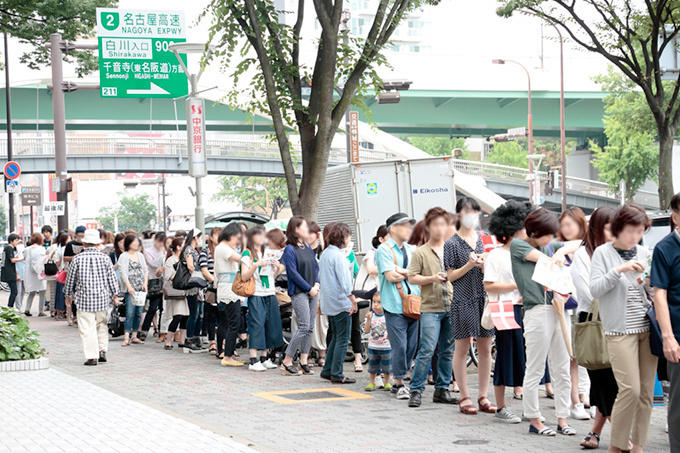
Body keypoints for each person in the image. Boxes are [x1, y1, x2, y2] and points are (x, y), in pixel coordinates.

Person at [590, 204, 656, 453]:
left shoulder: (643, 251)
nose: (635, 236)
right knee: (630, 389)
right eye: (631, 230)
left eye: (640, 231)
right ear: (618, 228)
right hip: (619, 331)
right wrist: (619, 270)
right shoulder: (603, 253)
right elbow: (594, 289)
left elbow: (650, 291)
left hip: (646, 328)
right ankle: (616, 446)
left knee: (646, 392)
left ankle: (638, 445)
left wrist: (650, 282)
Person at [510, 207, 581, 436]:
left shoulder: (548, 245)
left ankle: (562, 418)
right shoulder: (518, 245)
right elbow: (544, 260)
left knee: (561, 366)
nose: (551, 239)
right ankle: (535, 419)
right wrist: (557, 254)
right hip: (537, 310)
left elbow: (581, 242)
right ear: (535, 231)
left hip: (558, 309)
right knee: (536, 367)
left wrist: (561, 251)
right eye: (548, 234)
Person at [570, 206, 617, 449]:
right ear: (597, 228)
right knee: (603, 379)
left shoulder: (617, 253)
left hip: (617, 321)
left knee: (612, 382)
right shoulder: (582, 255)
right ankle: (619, 434)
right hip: (593, 322)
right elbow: (588, 293)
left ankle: (596, 432)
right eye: (609, 226)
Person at [444, 197, 494, 415]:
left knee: (485, 348)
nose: (472, 215)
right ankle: (464, 396)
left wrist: (483, 265)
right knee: (462, 348)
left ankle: (483, 395)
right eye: (467, 211)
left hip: (484, 299)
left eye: (475, 211)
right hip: (463, 300)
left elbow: (491, 273)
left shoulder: (483, 239)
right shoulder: (452, 244)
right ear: (458, 215)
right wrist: (470, 264)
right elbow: (451, 276)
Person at [485, 200, 533, 424]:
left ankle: (527, 406)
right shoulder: (496, 255)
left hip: (527, 309)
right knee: (506, 356)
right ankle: (501, 406)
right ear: (513, 229)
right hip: (505, 309)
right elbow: (489, 285)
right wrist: (517, 287)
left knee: (527, 357)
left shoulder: (529, 253)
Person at [407, 207, 458, 408]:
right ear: (428, 227)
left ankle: (442, 389)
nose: (439, 228)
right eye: (435, 224)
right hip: (430, 307)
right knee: (427, 348)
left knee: (448, 350)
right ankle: (416, 390)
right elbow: (412, 277)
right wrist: (431, 279)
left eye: (443, 224)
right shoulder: (420, 252)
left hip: (452, 306)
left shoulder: (452, 249)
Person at [376, 212, 419, 400]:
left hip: (414, 302)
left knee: (412, 344)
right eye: (405, 225)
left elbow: (418, 272)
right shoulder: (384, 249)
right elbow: (390, 276)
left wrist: (402, 271)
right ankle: (400, 381)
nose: (409, 229)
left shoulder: (411, 249)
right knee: (399, 345)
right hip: (394, 303)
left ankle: (399, 379)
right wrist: (408, 272)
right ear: (393, 228)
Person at [650, 192, 680, 453]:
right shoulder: (665, 248)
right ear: (676, 216)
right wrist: (668, 337)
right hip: (679, 335)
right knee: (679, 403)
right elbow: (659, 293)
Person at [64, 229, 120, 366]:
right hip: (102, 299)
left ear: (84, 243)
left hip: (84, 300)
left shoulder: (77, 259)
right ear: (97, 243)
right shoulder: (105, 259)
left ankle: (92, 356)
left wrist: (68, 295)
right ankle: (102, 351)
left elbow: (70, 280)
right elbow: (111, 279)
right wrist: (115, 295)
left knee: (87, 328)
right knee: (102, 325)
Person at [558, 206, 592, 421]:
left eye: (571, 224)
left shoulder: (589, 249)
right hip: (567, 310)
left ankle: (587, 395)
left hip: (587, 309)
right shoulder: (557, 250)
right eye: (563, 225)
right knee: (571, 357)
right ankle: (576, 401)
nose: (566, 228)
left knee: (588, 356)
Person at [240, 226, 284, 371]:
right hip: (256, 293)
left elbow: (272, 277)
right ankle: (253, 359)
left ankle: (265, 358)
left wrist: (277, 268)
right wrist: (256, 265)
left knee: (270, 324)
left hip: (269, 292)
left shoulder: (268, 253)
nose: (262, 237)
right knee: (256, 324)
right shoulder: (247, 254)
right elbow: (244, 276)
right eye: (258, 235)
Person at [319, 223, 358, 383]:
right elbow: (345, 282)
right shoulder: (339, 256)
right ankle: (337, 373)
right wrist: (353, 300)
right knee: (342, 338)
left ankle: (328, 369)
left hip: (329, 300)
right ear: (343, 237)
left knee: (336, 336)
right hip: (341, 301)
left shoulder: (325, 254)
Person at [281, 216, 319, 376]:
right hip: (299, 291)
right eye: (304, 227)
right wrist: (308, 287)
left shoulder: (308, 246)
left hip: (312, 290)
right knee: (303, 326)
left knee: (310, 327)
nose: (307, 230)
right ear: (296, 230)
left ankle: (304, 360)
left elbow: (316, 267)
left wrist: (316, 284)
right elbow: (293, 273)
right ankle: (287, 360)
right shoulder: (289, 249)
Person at [214, 223, 245, 366]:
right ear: (231, 235)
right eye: (237, 238)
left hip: (231, 288)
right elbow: (241, 259)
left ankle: (229, 354)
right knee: (234, 323)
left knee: (233, 323)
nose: (238, 241)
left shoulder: (223, 247)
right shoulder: (223, 248)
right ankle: (227, 356)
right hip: (228, 289)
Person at [119, 234, 148, 347]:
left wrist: (145, 283)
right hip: (130, 289)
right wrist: (129, 287)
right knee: (129, 313)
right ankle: (127, 337)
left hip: (140, 288)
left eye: (137, 242)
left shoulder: (140, 255)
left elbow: (145, 270)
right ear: (129, 243)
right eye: (134, 242)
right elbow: (123, 273)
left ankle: (134, 336)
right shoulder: (124, 256)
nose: (136, 244)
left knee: (138, 313)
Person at [182, 228, 207, 353]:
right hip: (193, 286)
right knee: (194, 313)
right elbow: (190, 266)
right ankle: (189, 339)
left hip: (198, 286)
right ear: (195, 237)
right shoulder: (188, 250)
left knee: (199, 314)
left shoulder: (193, 250)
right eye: (199, 237)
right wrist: (199, 278)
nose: (200, 240)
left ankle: (196, 338)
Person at [163, 237, 190, 350]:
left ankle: (182, 341)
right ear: (178, 247)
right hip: (176, 292)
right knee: (177, 316)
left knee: (185, 317)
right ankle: (168, 341)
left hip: (185, 292)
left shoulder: (185, 258)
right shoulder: (170, 260)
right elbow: (169, 276)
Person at [139, 231, 167, 340]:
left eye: (162, 242)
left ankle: (161, 331)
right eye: (159, 241)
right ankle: (144, 331)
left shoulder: (167, 251)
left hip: (165, 283)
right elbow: (154, 264)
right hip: (154, 282)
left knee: (163, 309)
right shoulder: (148, 251)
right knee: (153, 308)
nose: (161, 244)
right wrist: (161, 253)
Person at [363, 290, 392, 392]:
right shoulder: (371, 316)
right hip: (373, 346)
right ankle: (372, 382)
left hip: (386, 346)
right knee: (372, 366)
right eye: (374, 302)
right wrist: (368, 320)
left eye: (379, 302)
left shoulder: (388, 316)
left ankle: (387, 382)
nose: (375, 305)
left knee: (387, 366)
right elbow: (366, 330)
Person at [198, 227, 221, 355]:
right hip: (211, 288)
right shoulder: (205, 252)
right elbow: (204, 270)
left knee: (223, 316)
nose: (218, 237)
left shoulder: (225, 251)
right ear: (211, 237)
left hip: (223, 288)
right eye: (216, 235)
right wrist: (215, 281)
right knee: (211, 316)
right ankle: (212, 342)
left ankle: (222, 343)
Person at [63, 226, 86, 324]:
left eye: (83, 236)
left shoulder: (87, 245)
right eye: (80, 236)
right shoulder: (70, 244)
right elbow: (65, 258)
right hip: (72, 272)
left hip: (84, 273)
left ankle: (80, 315)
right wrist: (76, 257)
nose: (81, 238)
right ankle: (74, 315)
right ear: (76, 235)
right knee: (71, 294)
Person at [23, 233, 47, 317]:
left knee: (32, 292)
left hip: (30, 273)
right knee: (42, 291)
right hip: (40, 272)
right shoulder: (42, 249)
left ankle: (27, 308)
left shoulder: (27, 249)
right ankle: (40, 311)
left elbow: (25, 258)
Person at [2, 234, 24, 309]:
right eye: (16, 240)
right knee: (14, 291)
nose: (17, 242)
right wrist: (22, 259)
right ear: (11, 241)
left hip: (7, 271)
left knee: (14, 291)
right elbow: (12, 260)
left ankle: (10, 307)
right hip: (10, 272)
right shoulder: (9, 248)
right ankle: (10, 307)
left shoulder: (6, 248)